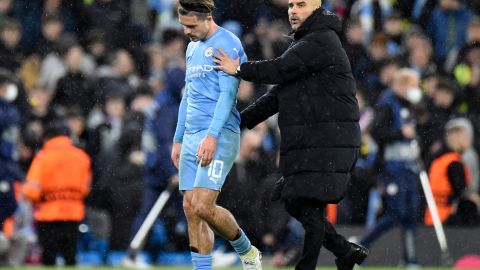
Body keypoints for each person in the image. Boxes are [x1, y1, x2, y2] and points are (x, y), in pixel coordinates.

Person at [213, 1, 368, 269]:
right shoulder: (307, 44)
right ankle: (344, 251)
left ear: (317, 8)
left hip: (329, 141)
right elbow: (277, 95)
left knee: (308, 204)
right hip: (318, 141)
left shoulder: (321, 40)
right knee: (298, 202)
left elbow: (278, 70)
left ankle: (314, 263)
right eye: (291, 4)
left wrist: (239, 68)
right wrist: (236, 122)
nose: (293, 10)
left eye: (301, 4)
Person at [170, 1, 262, 270]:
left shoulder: (228, 43)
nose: (186, 32)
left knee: (202, 206)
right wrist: (178, 138)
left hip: (219, 134)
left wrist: (211, 135)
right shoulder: (191, 47)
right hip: (190, 136)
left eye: (190, 26)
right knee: (190, 207)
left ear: (207, 18)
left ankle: (248, 252)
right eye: (183, 26)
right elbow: (188, 96)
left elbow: (228, 95)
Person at [357, 69, 422, 267]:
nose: (415, 90)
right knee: (396, 212)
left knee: (411, 213)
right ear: (401, 85)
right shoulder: (386, 104)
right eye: (412, 85)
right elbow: (377, 132)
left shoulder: (408, 106)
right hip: (392, 168)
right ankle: (360, 245)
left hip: (409, 167)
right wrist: (400, 133)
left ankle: (410, 258)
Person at [22, 120, 91, 266]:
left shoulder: (43, 157)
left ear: (48, 138)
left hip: (48, 214)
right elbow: (86, 188)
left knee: (49, 257)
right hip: (73, 213)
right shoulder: (81, 156)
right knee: (70, 256)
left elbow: (31, 190)